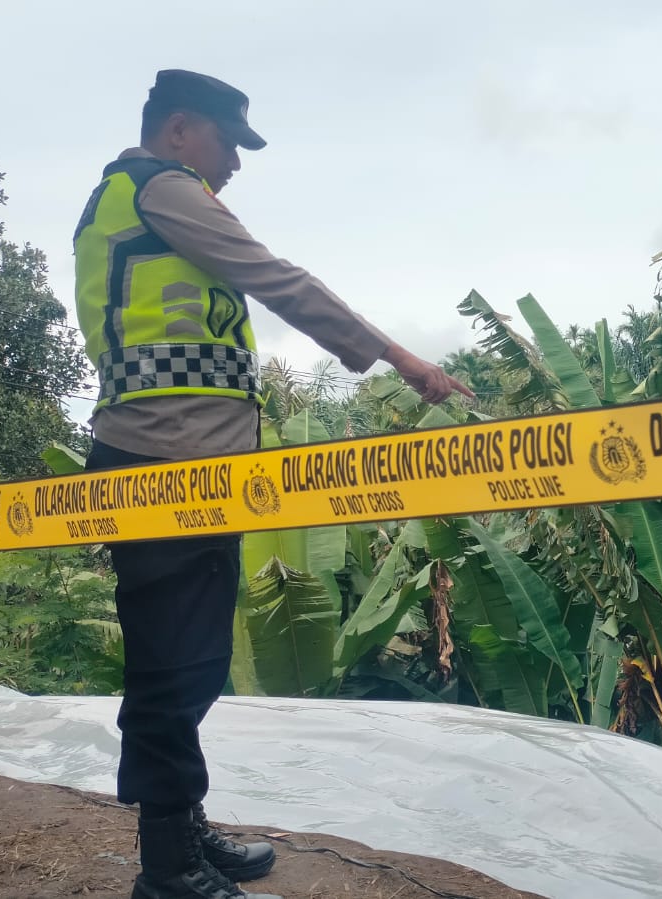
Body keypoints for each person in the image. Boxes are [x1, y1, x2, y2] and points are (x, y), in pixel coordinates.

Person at [73, 69, 472, 899]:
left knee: (192, 658)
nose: (235, 164)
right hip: (162, 464)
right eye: (228, 142)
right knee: (171, 664)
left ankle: (182, 826)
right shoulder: (160, 188)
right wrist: (399, 357)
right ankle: (167, 866)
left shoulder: (135, 198)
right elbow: (278, 278)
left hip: (185, 462)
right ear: (179, 129)